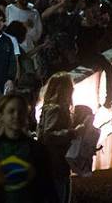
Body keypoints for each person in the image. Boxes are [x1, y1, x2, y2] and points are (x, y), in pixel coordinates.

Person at [0, 93, 58, 202]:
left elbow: (48, 187)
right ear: (2, 115)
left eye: (20, 112)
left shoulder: (37, 150)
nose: (16, 115)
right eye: (11, 111)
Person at [37, 72, 81, 203]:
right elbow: (48, 135)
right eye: (70, 86)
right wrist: (73, 132)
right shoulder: (55, 109)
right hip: (55, 163)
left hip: (56, 163)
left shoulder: (52, 108)